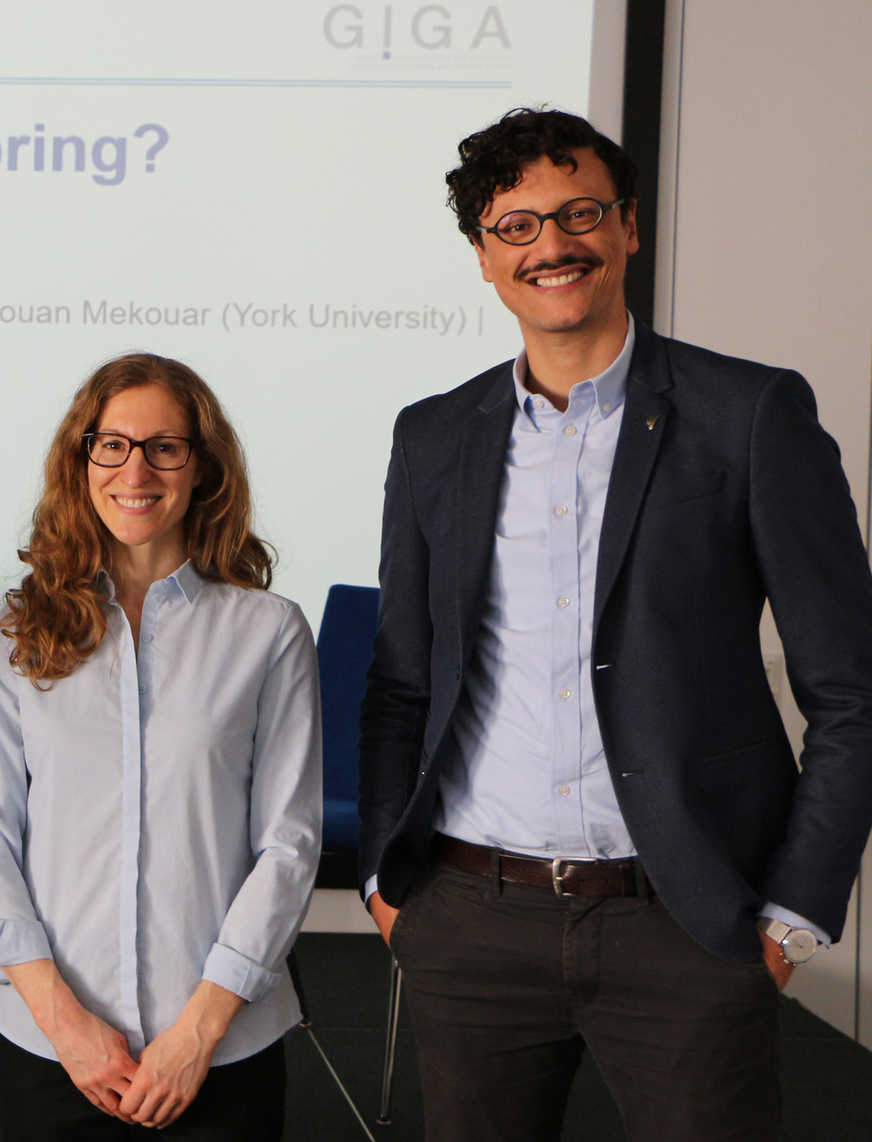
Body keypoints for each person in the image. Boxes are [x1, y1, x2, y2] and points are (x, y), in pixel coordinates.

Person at [360, 107, 872, 1141]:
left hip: (684, 924)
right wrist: (386, 880)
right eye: (515, 226)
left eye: (577, 212)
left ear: (626, 226)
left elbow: (850, 690)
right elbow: (403, 681)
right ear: (482, 257)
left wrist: (791, 916)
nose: (550, 244)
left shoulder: (748, 414)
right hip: (470, 916)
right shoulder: (431, 435)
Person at [0, 353, 321, 1140]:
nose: (137, 469)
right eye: (111, 444)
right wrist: (66, 1028)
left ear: (203, 468)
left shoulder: (269, 632)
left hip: (220, 1051)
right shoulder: (21, 633)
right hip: (54, 1050)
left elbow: (288, 847)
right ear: (82, 460)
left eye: (166, 446)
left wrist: (197, 1032)